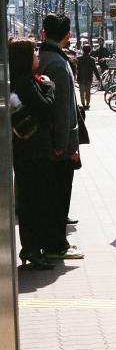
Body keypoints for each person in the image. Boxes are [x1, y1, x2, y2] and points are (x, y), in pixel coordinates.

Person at [38, 13, 84, 259]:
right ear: (68, 35)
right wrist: (65, 144)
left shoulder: (42, 57)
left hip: (44, 139)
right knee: (59, 195)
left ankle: (52, 242)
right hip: (59, 142)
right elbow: (64, 108)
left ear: (44, 32)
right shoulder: (58, 63)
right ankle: (57, 245)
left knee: (49, 195)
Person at [10, 38, 56, 269]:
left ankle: (32, 249)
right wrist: (49, 86)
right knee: (34, 202)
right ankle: (31, 249)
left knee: (32, 201)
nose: (38, 57)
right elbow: (45, 108)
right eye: (34, 53)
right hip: (32, 151)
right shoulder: (26, 83)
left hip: (27, 151)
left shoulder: (21, 81)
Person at [76, 45, 100, 109]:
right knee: (88, 91)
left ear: (83, 50)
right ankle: (87, 103)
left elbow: (76, 68)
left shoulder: (78, 58)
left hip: (80, 77)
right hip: (89, 77)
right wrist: (98, 77)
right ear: (90, 51)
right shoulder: (92, 59)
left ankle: (83, 104)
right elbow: (95, 69)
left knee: (81, 91)